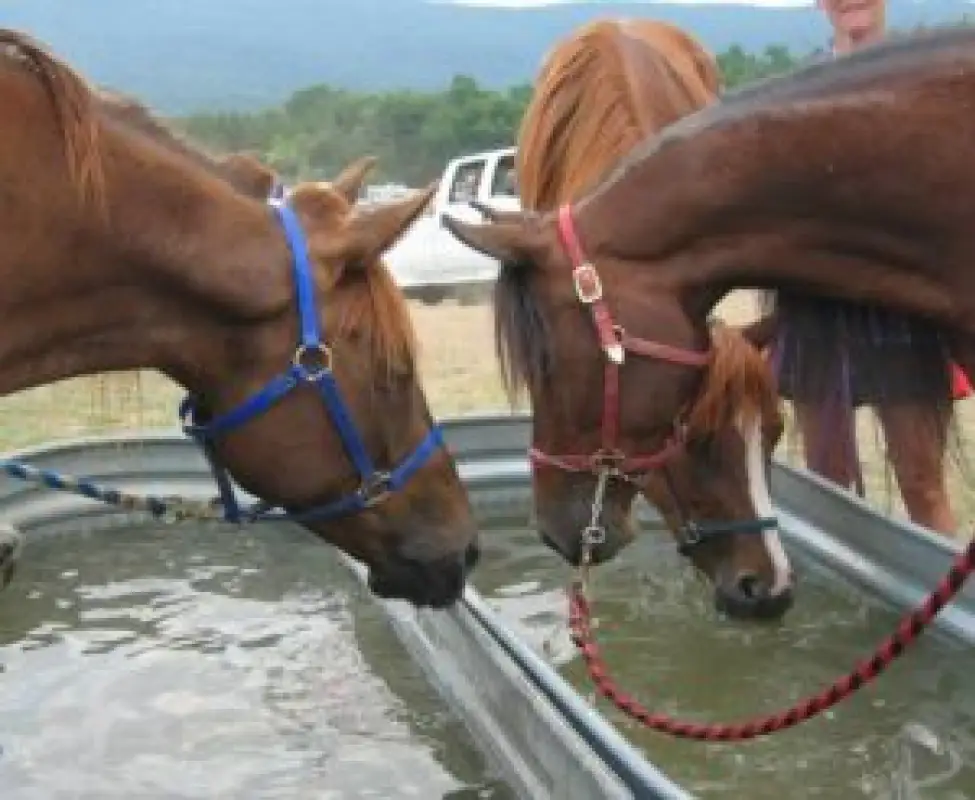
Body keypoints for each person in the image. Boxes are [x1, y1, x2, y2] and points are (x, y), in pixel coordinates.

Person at [768, 0, 967, 535]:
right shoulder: (799, 91)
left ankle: (949, 612)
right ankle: (849, 611)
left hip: (901, 308)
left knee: (922, 481)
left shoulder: (925, 76)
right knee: (827, 481)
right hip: (818, 307)